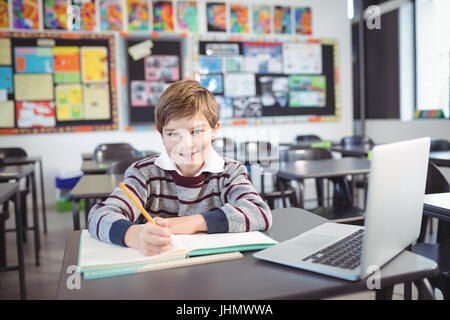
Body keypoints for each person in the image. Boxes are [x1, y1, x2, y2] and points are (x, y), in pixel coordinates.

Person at [88, 79, 272, 255]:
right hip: (160, 269)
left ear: (215, 130)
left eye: (197, 131)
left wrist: (192, 223)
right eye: (173, 134)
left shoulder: (230, 171)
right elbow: (99, 216)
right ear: (161, 135)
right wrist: (135, 235)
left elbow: (259, 212)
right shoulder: (144, 174)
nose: (187, 144)